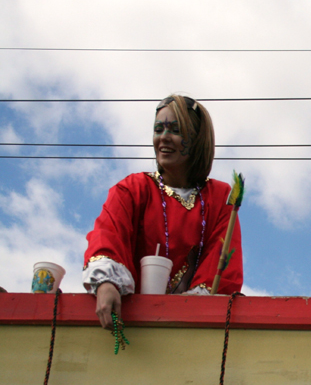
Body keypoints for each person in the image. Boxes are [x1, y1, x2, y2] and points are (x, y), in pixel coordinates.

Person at [83, 95, 243, 328]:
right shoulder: (132, 189)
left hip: (193, 329)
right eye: (159, 129)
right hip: (131, 322)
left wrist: (191, 311)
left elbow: (222, 260)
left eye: (176, 130)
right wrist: (107, 284)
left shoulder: (220, 197)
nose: (164, 137)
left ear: (197, 139)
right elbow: (108, 234)